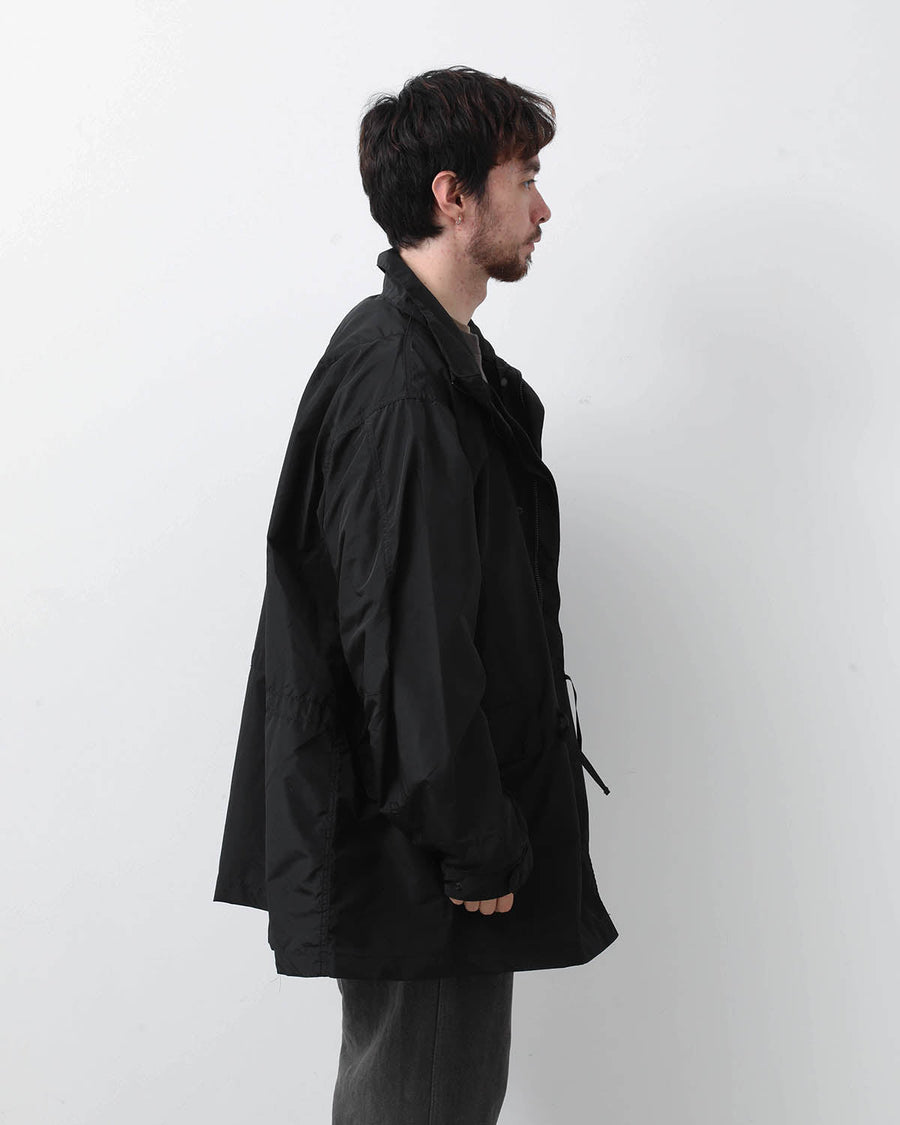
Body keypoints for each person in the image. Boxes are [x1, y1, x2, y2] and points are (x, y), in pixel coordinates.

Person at [213, 65, 619, 1124]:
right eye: (523, 178)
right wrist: (474, 841)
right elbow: (408, 643)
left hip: (426, 837)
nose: (542, 207)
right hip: (426, 853)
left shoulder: (439, 363)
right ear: (453, 195)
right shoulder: (403, 383)